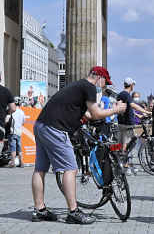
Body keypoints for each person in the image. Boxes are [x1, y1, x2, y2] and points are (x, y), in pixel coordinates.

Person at [30, 66, 124, 225]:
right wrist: (115, 109)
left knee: (40, 168)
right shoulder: (89, 87)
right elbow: (95, 113)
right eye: (105, 82)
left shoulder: (77, 86)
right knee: (71, 168)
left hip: (41, 124)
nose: (104, 86)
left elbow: (87, 114)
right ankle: (73, 212)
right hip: (55, 128)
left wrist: (93, 117)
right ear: (99, 77)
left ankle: (40, 210)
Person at [116, 77, 149, 173]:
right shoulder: (126, 95)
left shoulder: (121, 94)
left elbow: (126, 109)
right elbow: (133, 105)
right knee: (128, 144)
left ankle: (124, 163)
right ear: (131, 85)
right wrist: (145, 111)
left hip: (122, 122)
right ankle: (124, 164)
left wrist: (137, 114)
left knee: (125, 143)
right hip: (127, 124)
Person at [9, 99, 25, 167]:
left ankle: (13, 163)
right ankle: (21, 163)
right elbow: (23, 122)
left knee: (13, 148)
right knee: (19, 148)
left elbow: (9, 121)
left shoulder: (12, 111)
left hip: (12, 132)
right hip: (19, 132)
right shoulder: (22, 112)